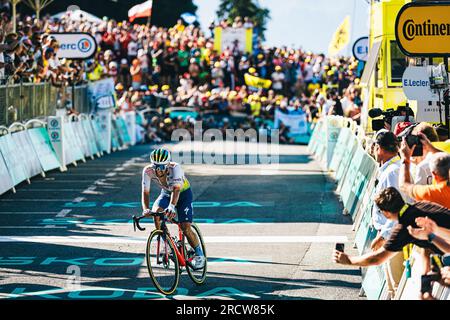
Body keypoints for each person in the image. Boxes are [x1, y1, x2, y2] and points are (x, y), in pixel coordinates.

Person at [333, 187, 450, 268]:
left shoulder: (404, 227)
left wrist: (349, 260)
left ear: (386, 212)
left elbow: (378, 258)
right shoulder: (421, 205)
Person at [141, 148, 206, 270]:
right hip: (166, 193)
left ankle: (199, 254)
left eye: (161, 167)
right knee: (157, 215)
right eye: (156, 167)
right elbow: (145, 192)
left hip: (183, 193)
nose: (158, 170)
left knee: (185, 226)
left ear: (167, 165)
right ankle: (169, 244)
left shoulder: (175, 167)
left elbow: (176, 190)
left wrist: (171, 207)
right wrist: (145, 209)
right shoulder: (148, 171)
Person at [399, 134, 450, 209]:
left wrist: (405, 158)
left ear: (434, 174)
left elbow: (404, 186)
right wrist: (431, 148)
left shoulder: (431, 193)